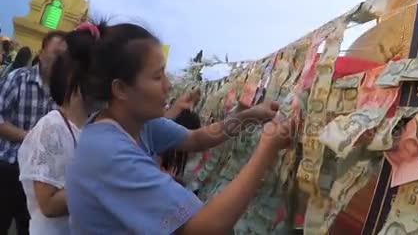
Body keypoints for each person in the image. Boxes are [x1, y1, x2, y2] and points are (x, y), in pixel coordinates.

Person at [66, 22, 296, 234]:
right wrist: (267, 148)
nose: (169, 85)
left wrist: (248, 117)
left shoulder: (138, 125)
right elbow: (204, 227)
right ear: (121, 89)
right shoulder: (110, 152)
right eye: (157, 77)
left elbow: (197, 139)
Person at [17, 27, 96, 234]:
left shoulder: (91, 128)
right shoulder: (53, 126)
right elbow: (49, 205)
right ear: (76, 79)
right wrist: (101, 180)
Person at [0, 31, 67, 235]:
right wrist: (29, 137)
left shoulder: (66, 93)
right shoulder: (19, 79)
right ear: (42, 52)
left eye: (64, 58)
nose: (59, 61)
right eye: (55, 54)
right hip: (9, 166)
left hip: (41, 179)